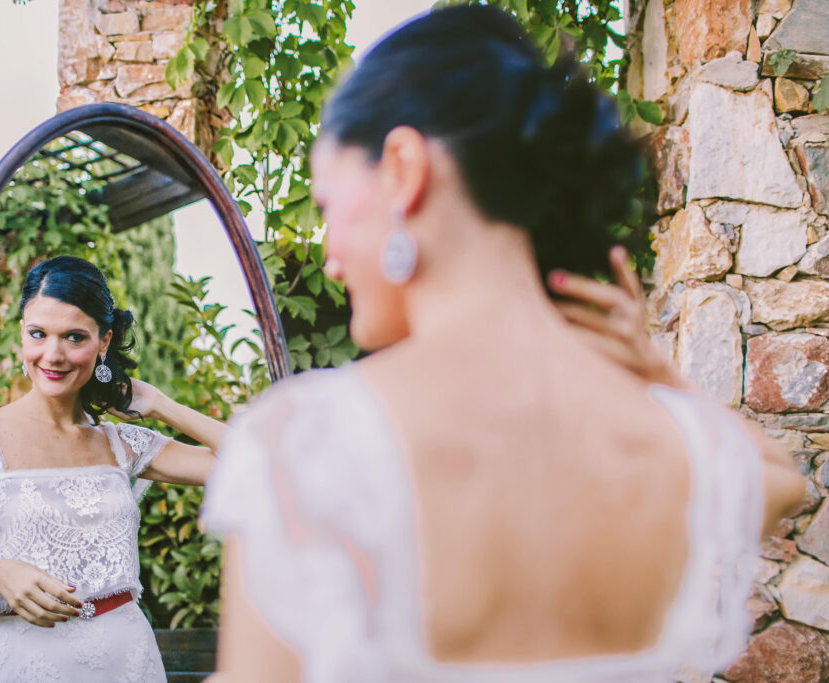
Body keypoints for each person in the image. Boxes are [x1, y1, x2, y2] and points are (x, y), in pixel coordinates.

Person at [201, 6, 806, 682]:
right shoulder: (681, 447)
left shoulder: (304, 446)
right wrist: (657, 373)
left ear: (402, 167)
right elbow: (781, 478)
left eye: (327, 206)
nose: (331, 256)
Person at [0, 256, 224, 681]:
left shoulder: (120, 444)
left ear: (104, 342)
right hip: (24, 664)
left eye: (75, 337)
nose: (53, 355)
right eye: (38, 334)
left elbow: (250, 458)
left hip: (127, 661)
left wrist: (159, 404)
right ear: (21, 332)